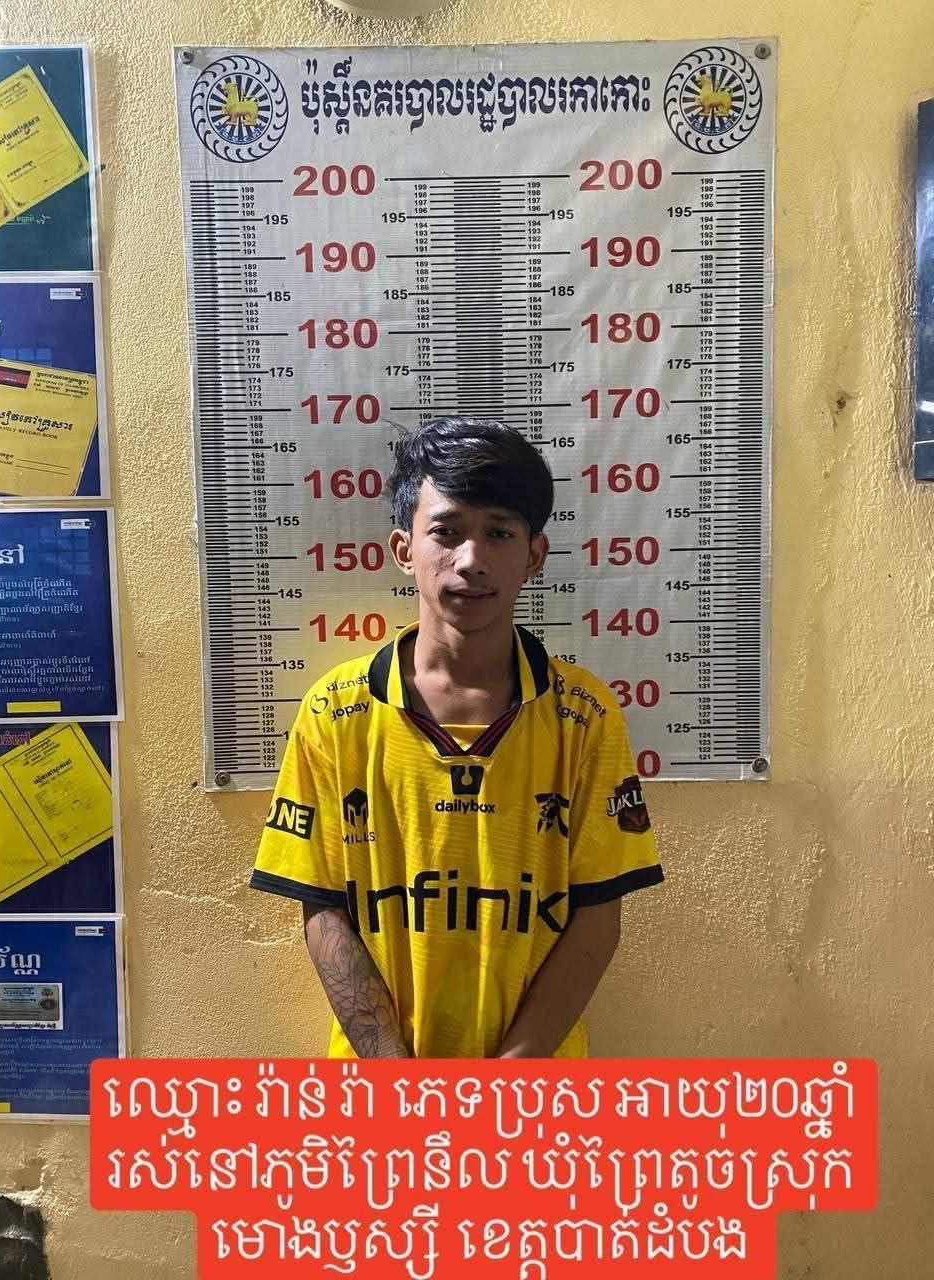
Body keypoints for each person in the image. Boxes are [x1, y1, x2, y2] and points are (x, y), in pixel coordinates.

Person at [250, 417, 664, 1058]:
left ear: (534, 555)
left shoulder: (583, 716)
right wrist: (394, 1079)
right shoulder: (335, 712)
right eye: (446, 532)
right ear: (403, 548)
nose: (471, 560)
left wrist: (509, 1079)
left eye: (499, 533)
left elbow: (596, 913)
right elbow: (324, 909)